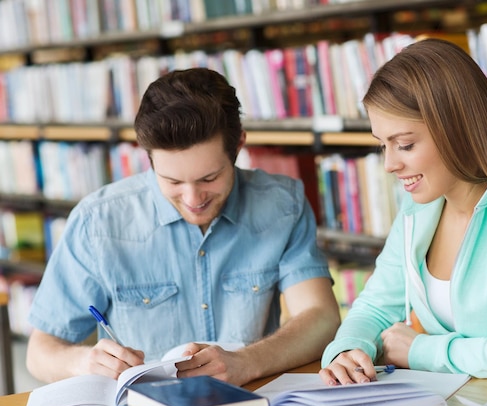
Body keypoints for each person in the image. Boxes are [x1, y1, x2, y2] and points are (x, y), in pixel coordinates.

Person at [26, 68, 341, 386]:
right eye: (173, 181)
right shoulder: (97, 222)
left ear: (239, 146)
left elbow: (322, 317)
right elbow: (39, 352)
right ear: (148, 159)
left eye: (209, 178)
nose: (193, 199)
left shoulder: (282, 205)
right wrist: (84, 361)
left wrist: (247, 362)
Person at [319, 39, 487, 385]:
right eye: (382, 144)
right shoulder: (418, 208)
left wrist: (425, 351)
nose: (389, 164)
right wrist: (347, 350)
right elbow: (376, 305)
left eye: (405, 144)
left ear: (455, 128)